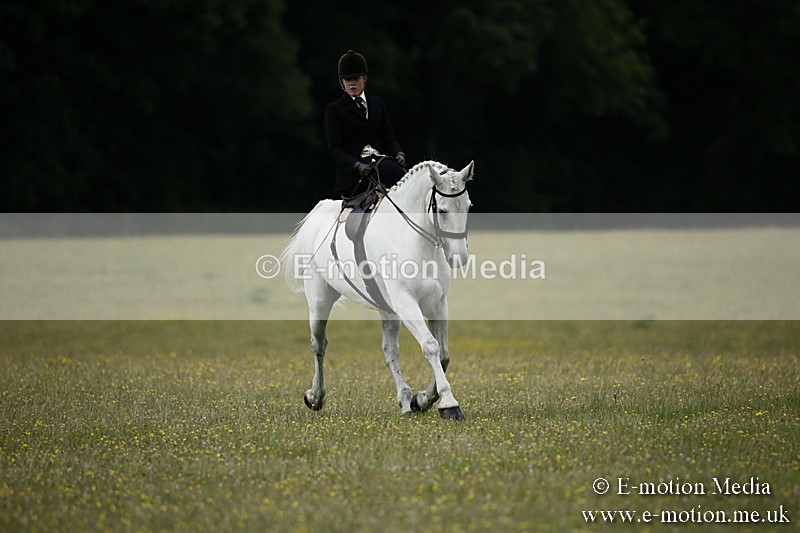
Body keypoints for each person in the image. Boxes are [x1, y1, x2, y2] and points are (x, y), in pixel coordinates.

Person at [324, 50, 407, 198]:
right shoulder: (335, 109)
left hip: (382, 162)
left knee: (408, 180)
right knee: (391, 171)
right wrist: (356, 165)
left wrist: (398, 153)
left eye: (355, 78)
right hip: (355, 174)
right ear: (341, 82)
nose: (352, 83)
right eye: (347, 79)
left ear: (364, 78)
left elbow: (389, 138)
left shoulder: (377, 104)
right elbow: (335, 149)